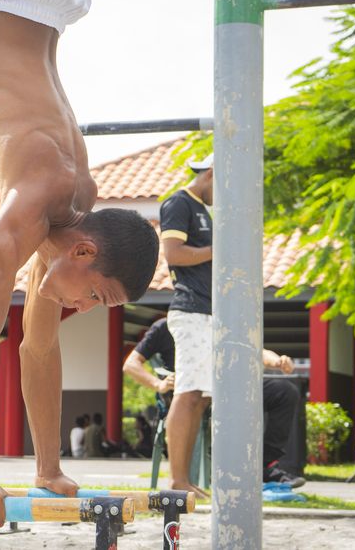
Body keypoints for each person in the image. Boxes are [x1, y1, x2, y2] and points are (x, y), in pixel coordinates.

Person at [0, 0, 160, 531]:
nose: (84, 307)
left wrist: (49, 469)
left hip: (43, 1)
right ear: (85, 252)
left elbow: (38, 348)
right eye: (96, 295)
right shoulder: (32, 205)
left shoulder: (70, 213)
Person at [123, 317, 306, 488]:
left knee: (284, 392)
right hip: (189, 396)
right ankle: (219, 474)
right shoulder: (164, 326)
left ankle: (262, 465)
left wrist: (277, 361)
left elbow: (254, 348)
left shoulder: (218, 321)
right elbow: (131, 364)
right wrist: (159, 384)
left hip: (227, 388)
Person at [157, 153, 215, 498]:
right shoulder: (178, 203)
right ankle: (177, 481)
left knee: (200, 398)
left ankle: (185, 479)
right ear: (211, 174)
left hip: (207, 312)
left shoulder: (202, 209)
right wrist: (218, 247)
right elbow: (174, 254)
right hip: (189, 309)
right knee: (188, 392)